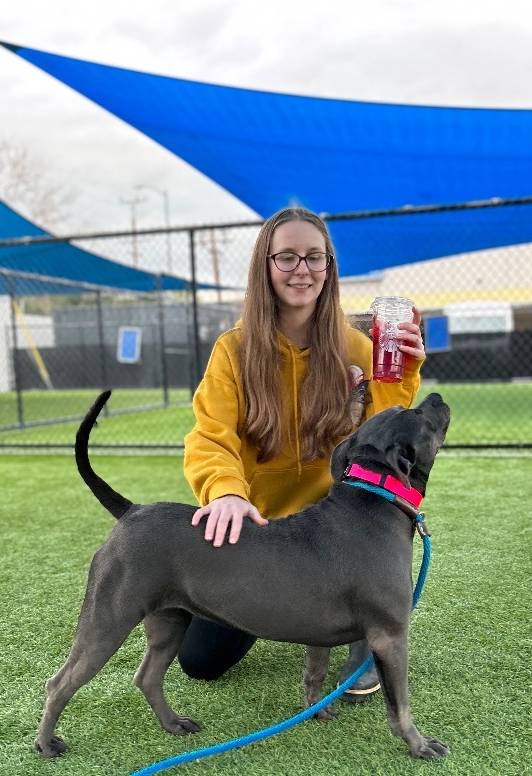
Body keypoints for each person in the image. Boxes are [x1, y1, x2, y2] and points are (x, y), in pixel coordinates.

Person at [179, 207, 425, 701]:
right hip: (262, 532)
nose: (302, 269)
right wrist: (225, 492)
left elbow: (380, 439)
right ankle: (280, 605)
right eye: (286, 257)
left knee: (355, 602)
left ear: (329, 267)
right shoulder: (233, 350)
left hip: (335, 536)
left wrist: (400, 377)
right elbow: (211, 436)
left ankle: (356, 619)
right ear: (265, 266)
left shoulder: (356, 347)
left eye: (315, 257)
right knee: (200, 662)